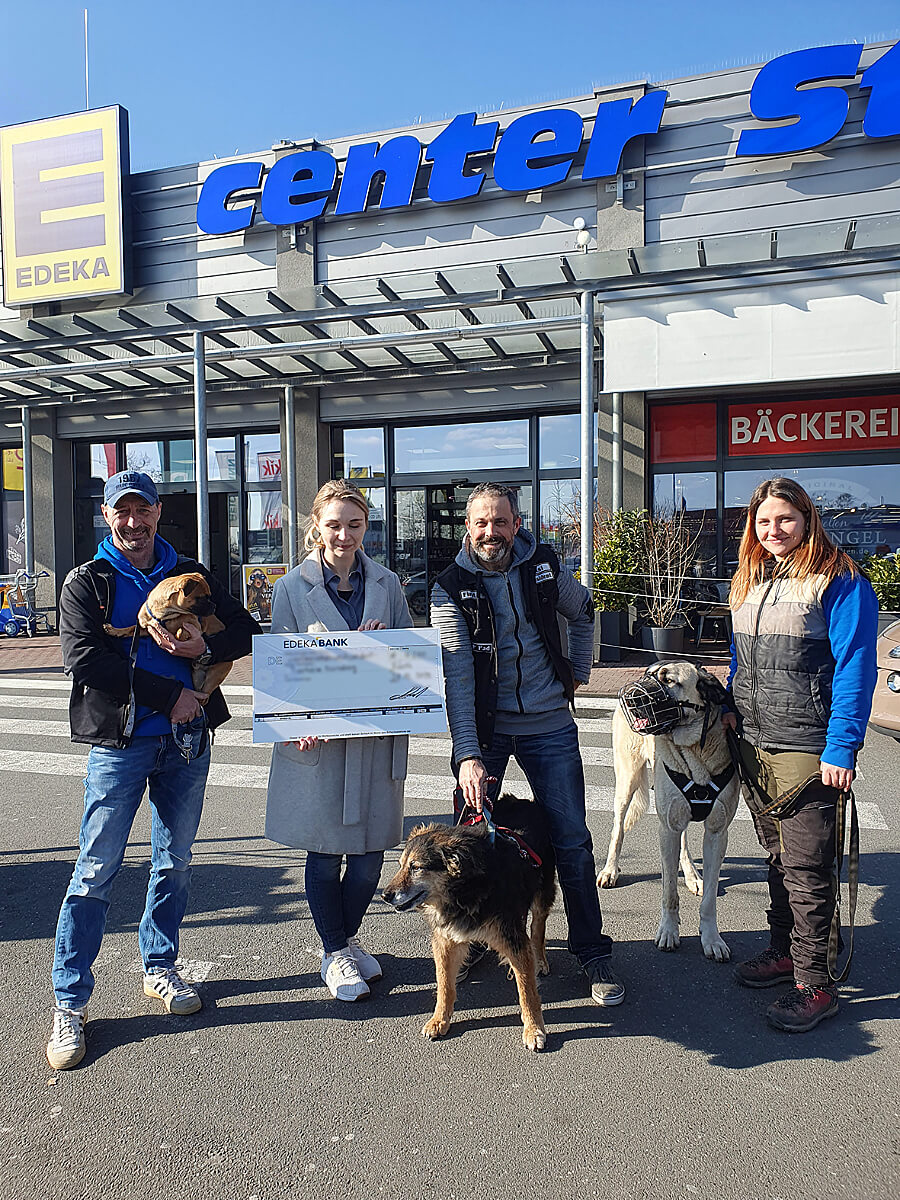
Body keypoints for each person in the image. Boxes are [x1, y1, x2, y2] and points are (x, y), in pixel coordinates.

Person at [48, 470, 258, 1070]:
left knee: (176, 860)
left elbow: (243, 629)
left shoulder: (191, 571)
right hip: (121, 745)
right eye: (122, 513)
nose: (133, 523)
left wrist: (204, 652)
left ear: (158, 512)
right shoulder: (86, 581)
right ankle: (69, 1004)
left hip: (187, 744)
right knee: (94, 870)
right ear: (108, 518)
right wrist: (169, 698)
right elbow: (85, 661)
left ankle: (160, 967)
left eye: (143, 511)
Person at [430, 482, 624, 1006]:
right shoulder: (449, 586)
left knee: (572, 841)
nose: (490, 532)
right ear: (466, 528)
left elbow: (584, 612)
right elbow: (458, 677)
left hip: (548, 725)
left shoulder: (543, 567)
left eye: (500, 522)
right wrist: (468, 755)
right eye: (480, 523)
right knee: (468, 844)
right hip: (487, 730)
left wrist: (579, 671)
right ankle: (464, 943)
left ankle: (591, 951)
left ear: (516, 524)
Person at [724, 477, 877, 1032]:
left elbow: (858, 669)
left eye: (784, 519)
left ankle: (816, 984)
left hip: (808, 747)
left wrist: (842, 747)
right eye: (764, 521)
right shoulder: (753, 577)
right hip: (756, 743)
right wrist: (728, 703)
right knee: (777, 859)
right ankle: (785, 951)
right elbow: (742, 659)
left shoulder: (839, 581)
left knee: (809, 868)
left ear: (808, 518)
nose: (773, 531)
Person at [265, 480, 413, 1002]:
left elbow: (409, 665)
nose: (344, 535)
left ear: (366, 527)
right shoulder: (288, 589)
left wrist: (380, 647)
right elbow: (278, 673)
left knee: (372, 853)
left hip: (374, 741)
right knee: (326, 853)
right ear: (315, 527)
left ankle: (343, 941)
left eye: (354, 524)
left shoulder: (389, 585)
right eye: (334, 524)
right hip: (321, 742)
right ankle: (335, 950)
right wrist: (294, 719)